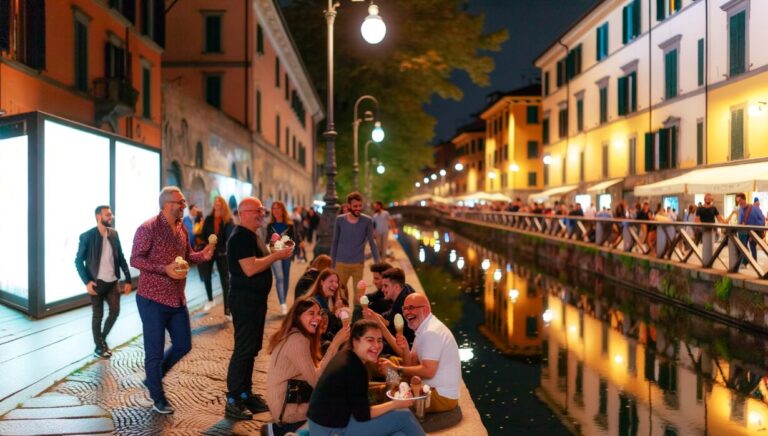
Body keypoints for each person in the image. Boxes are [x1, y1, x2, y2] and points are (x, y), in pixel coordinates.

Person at [130, 187, 215, 414]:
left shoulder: (181, 228)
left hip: (177, 299)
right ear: (168, 204)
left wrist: (202, 256)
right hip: (152, 299)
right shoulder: (147, 228)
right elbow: (135, 259)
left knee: (183, 345)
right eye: (181, 201)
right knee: (154, 352)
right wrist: (163, 269)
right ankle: (158, 396)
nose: (184, 204)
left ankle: (153, 378)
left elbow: (187, 256)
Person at [224, 197, 294, 420]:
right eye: (258, 211)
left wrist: (274, 249)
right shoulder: (240, 238)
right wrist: (276, 256)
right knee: (243, 349)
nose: (262, 214)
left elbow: (258, 260)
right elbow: (250, 268)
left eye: (263, 211)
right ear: (244, 213)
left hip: (255, 301)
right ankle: (234, 399)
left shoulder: (252, 235)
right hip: (245, 301)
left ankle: (245, 393)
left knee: (252, 348)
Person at [307, 319, 425, 436]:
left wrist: (403, 351)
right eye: (370, 340)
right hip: (332, 430)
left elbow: (394, 381)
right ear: (355, 341)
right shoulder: (354, 366)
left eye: (379, 340)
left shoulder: (351, 356)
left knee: (400, 434)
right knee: (404, 416)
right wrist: (396, 404)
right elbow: (363, 414)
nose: (377, 345)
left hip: (334, 422)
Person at [264, 299, 350, 435]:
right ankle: (282, 430)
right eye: (311, 313)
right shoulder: (298, 340)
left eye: (318, 313)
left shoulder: (293, 334)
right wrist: (335, 343)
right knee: (337, 406)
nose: (317, 318)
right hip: (286, 408)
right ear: (298, 316)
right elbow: (316, 380)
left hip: (283, 402)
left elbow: (314, 371)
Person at [379, 293, 460, 413]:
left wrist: (396, 369)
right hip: (427, 388)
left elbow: (428, 371)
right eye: (405, 309)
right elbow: (411, 364)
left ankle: (388, 391)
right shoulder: (423, 328)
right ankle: (391, 388)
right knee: (387, 367)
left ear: (426, 309)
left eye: (411, 308)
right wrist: (406, 349)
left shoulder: (431, 332)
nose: (406, 313)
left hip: (441, 396)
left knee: (389, 401)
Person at [75, 205, 133, 359]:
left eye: (111, 214)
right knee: (98, 316)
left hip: (113, 282)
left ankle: (100, 340)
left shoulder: (114, 234)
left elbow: (120, 257)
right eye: (108, 214)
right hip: (96, 283)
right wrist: (87, 282)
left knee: (115, 312)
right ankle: (100, 347)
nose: (111, 216)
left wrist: (128, 279)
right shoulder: (86, 236)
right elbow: (78, 261)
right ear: (98, 217)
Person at [330, 192, 380, 303]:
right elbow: (335, 242)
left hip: (358, 264)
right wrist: (331, 264)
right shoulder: (340, 220)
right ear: (348, 206)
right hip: (341, 264)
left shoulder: (367, 221)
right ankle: (341, 318)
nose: (358, 208)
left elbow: (372, 243)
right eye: (355, 206)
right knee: (339, 296)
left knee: (359, 297)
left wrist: (378, 264)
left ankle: (356, 319)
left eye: (359, 206)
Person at [363, 267, 415, 355]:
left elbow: (401, 348)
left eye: (386, 286)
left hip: (407, 349)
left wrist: (377, 320)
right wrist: (373, 315)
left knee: (369, 343)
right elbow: (388, 319)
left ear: (397, 287)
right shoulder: (405, 288)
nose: (382, 289)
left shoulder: (404, 307)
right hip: (401, 339)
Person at [199, 196, 234, 314]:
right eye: (215, 202)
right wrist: (207, 243)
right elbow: (203, 234)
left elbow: (230, 236)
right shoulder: (209, 218)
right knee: (206, 275)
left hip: (222, 252)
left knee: (225, 280)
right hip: (209, 250)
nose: (217, 204)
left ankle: (227, 309)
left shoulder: (227, 219)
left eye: (219, 202)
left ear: (223, 204)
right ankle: (210, 300)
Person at [267, 201, 302, 315]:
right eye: (274, 208)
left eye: (278, 208)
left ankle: (284, 300)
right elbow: (267, 240)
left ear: (283, 210)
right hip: (275, 253)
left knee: (286, 277)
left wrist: (294, 251)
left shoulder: (290, 225)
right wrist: (272, 242)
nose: (276, 211)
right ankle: (282, 304)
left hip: (287, 253)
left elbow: (294, 239)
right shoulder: (269, 226)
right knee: (280, 277)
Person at [305, 268, 347, 343]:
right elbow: (324, 329)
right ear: (322, 282)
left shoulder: (331, 301)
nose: (335, 285)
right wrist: (335, 314)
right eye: (331, 281)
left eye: (336, 282)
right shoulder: (316, 303)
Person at [736, 192, 766, 267]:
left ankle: (754, 263)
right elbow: (739, 221)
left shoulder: (754, 208)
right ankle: (745, 262)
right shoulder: (740, 209)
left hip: (753, 231)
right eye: (737, 201)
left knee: (752, 246)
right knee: (743, 246)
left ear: (743, 200)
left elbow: (761, 220)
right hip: (743, 232)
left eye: (739, 200)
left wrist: (755, 231)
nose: (738, 202)